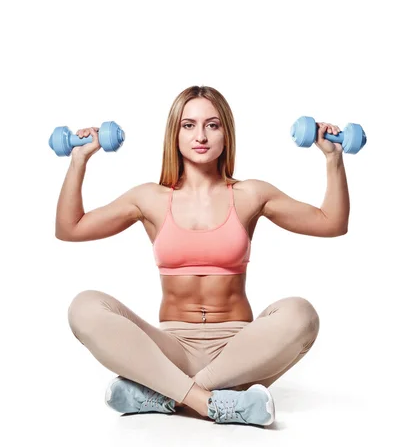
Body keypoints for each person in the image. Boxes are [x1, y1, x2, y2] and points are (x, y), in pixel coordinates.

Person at [59, 85, 349, 427]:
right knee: (85, 306)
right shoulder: (149, 198)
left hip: (239, 350)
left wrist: (333, 158)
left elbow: (332, 223)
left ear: (226, 133)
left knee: (302, 314)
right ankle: (213, 402)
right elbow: (70, 228)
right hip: (170, 350)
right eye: (189, 125)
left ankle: (165, 396)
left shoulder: (250, 194)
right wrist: (79, 160)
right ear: (175, 134)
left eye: (212, 125)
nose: (201, 135)